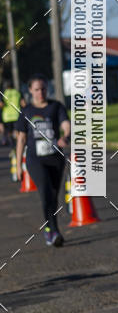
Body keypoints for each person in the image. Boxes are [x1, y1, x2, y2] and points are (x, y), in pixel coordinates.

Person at [15, 74, 70, 247]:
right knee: (46, 193)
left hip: (55, 158)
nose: (41, 92)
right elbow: (21, 139)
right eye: (37, 89)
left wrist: (66, 136)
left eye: (43, 88)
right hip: (35, 160)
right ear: (30, 91)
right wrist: (18, 166)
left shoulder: (56, 107)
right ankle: (54, 232)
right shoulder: (27, 111)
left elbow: (66, 124)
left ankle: (49, 229)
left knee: (53, 196)